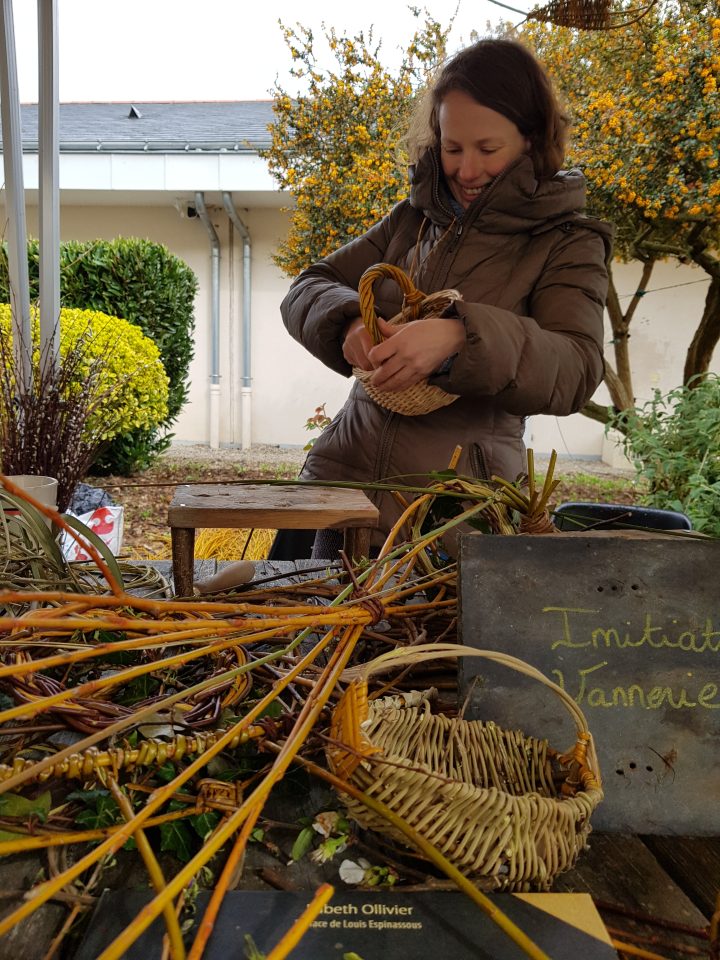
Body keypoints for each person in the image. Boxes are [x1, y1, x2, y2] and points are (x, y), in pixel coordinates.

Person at [271, 38, 613, 560]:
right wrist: (349, 326)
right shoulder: (413, 219)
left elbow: (577, 366)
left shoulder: (568, 241)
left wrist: (460, 337)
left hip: (452, 512)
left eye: (487, 149)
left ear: (531, 139)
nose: (467, 170)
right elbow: (309, 285)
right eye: (452, 148)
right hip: (344, 489)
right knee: (318, 633)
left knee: (429, 643)